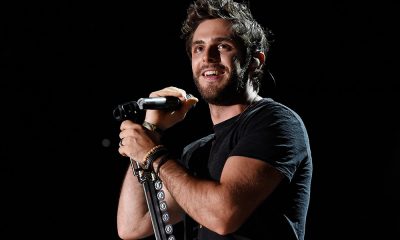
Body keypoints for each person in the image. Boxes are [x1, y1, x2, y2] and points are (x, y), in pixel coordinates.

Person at [116, 0, 313, 239]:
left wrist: (153, 154)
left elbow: (223, 215)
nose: (207, 57)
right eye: (198, 48)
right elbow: (133, 225)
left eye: (223, 46)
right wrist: (151, 131)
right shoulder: (197, 152)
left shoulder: (276, 122)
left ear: (254, 61)